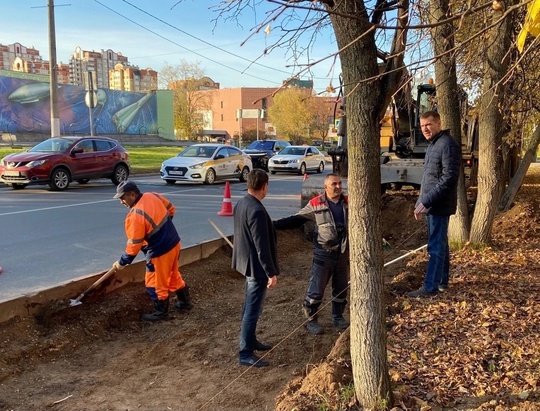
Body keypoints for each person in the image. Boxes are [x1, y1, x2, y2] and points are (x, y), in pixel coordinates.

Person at [274, 173, 349, 336]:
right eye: (333, 184)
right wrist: (273, 225)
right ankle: (311, 320)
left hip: (343, 253)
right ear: (325, 187)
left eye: (339, 184)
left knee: (341, 287)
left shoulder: (348, 202)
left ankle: (338, 317)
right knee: (316, 289)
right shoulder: (316, 204)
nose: (337, 187)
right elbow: (296, 219)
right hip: (323, 254)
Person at [112, 181, 192, 321]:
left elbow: (134, 246)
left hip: (160, 252)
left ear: (133, 194)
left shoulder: (135, 215)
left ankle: (160, 313)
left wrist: (122, 262)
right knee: (173, 274)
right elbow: (171, 209)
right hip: (174, 243)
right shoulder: (153, 195)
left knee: (154, 282)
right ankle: (185, 302)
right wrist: (163, 231)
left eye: (123, 197)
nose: (121, 202)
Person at [407, 111, 461, 297]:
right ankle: (442, 282)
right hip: (431, 203)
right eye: (422, 126)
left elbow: (448, 178)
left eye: (429, 124)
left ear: (438, 123)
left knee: (435, 246)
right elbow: (427, 179)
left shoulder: (447, 144)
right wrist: (420, 201)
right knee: (441, 245)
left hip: (439, 205)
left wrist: (427, 201)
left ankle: (430, 288)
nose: (425, 129)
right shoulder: (433, 145)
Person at [232, 169, 279, 368]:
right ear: (264, 186)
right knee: (252, 309)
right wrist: (271, 272)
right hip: (256, 268)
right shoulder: (257, 210)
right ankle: (245, 352)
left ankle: (251, 341)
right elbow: (262, 246)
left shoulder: (242, 203)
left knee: (250, 307)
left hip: (245, 262)